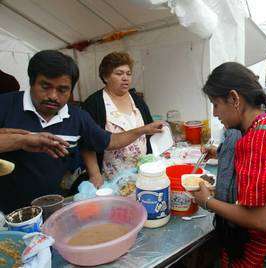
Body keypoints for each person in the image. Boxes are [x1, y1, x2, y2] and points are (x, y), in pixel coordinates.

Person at [0, 50, 163, 214]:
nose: (53, 96)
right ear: (31, 81)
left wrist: (143, 129)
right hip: (8, 211)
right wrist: (21, 141)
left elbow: (109, 140)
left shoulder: (77, 117)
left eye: (63, 90)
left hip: (56, 206)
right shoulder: (5, 105)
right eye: (45, 86)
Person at [192, 62, 266, 267]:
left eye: (216, 104)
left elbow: (260, 220)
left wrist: (207, 201)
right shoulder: (264, 124)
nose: (215, 113)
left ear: (234, 99)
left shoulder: (260, 139)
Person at [81, 52, 154, 188]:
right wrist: (95, 174)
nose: (125, 78)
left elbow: (149, 132)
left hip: (140, 173)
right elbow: (86, 144)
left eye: (128, 73)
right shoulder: (94, 104)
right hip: (110, 177)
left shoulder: (137, 100)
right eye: (119, 74)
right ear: (105, 77)